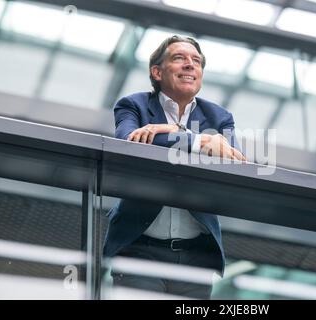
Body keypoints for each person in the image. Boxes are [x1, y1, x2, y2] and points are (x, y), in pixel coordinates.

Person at [103, 35, 245, 299]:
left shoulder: (219, 117)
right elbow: (129, 141)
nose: (190, 65)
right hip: (139, 249)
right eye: (179, 58)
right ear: (157, 72)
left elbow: (231, 159)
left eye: (196, 61)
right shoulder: (133, 105)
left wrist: (171, 132)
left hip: (196, 259)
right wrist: (198, 139)